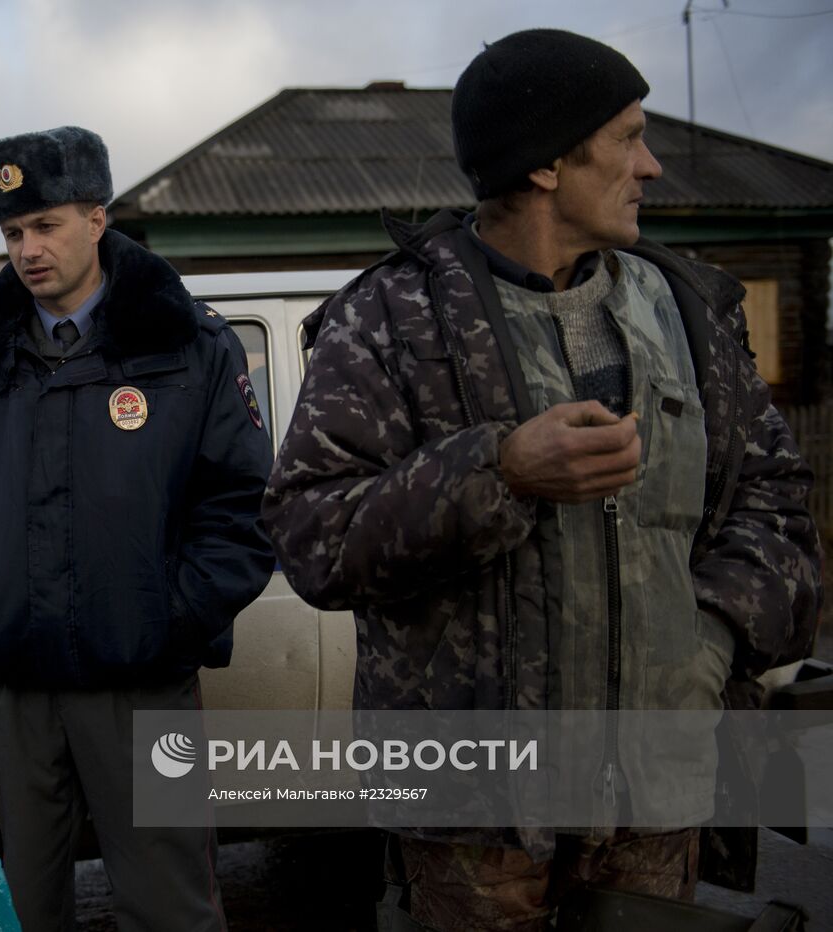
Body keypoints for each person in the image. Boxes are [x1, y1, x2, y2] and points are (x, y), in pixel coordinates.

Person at [262, 29, 821, 932]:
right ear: (549, 163)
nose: (652, 167)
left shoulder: (691, 311)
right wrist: (499, 470)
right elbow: (311, 534)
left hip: (654, 794)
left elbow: (777, 504)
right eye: (629, 138)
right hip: (477, 814)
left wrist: (706, 644)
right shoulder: (391, 321)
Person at [0, 126, 275, 931]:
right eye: (11, 233)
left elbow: (241, 506)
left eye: (46, 226)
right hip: (18, 686)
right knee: (26, 905)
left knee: (168, 900)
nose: (27, 249)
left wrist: (170, 622)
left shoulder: (186, 344)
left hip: (142, 680)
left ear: (97, 219)